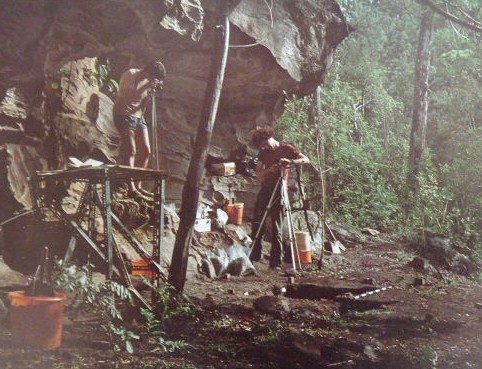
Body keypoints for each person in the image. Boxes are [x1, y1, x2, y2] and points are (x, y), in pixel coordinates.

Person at [249, 126, 310, 270]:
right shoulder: (263, 153)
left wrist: (290, 161)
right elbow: (258, 174)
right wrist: (270, 170)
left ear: (269, 136)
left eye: (265, 143)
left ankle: (276, 262)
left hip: (280, 188)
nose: (264, 147)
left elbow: (306, 160)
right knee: (258, 221)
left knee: (277, 225)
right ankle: (254, 255)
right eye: (261, 146)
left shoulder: (287, 148)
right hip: (266, 189)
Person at [113, 61, 166, 197]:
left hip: (137, 115)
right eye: (152, 77)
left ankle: (138, 185)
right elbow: (126, 93)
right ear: (148, 72)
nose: (151, 80)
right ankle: (131, 188)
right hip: (123, 113)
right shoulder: (130, 74)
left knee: (146, 150)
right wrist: (148, 85)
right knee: (131, 150)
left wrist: (151, 93)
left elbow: (142, 101)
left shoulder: (148, 83)